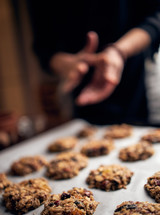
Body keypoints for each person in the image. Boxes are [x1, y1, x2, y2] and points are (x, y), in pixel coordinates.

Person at [26, 1, 160, 125]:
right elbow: (43, 45)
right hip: (78, 89)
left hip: (137, 82)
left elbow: (155, 18)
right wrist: (65, 64)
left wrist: (119, 51)